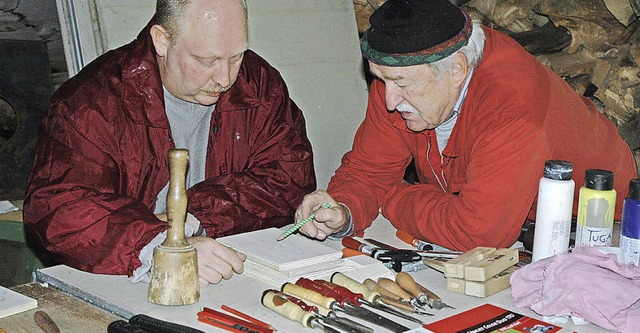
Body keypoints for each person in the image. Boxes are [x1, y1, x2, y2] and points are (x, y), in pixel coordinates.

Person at [296, 0, 638, 251]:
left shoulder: (511, 107)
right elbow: (369, 169)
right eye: (379, 80)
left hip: (597, 230)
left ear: (458, 69)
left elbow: (478, 233)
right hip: (501, 225)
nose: (388, 100)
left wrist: (391, 196)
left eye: (401, 84)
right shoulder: (398, 77)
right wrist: (342, 209)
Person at [23, 0, 316, 287]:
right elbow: (59, 207)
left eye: (235, 57)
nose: (225, 78)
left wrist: (192, 220)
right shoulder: (91, 103)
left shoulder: (258, 85)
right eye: (206, 61)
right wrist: (160, 242)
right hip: (122, 278)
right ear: (162, 41)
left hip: (227, 272)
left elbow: (288, 180)